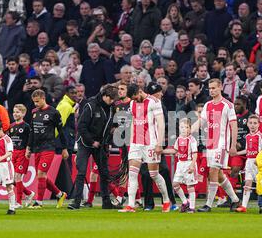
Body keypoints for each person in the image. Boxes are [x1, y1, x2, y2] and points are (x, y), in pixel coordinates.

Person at [118, 84, 172, 213]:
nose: (135, 100)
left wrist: (159, 143)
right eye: (133, 99)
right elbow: (133, 122)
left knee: (154, 174)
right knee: (132, 173)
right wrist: (130, 142)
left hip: (151, 143)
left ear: (140, 91)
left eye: (136, 97)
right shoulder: (132, 103)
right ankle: (131, 205)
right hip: (136, 143)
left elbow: (160, 123)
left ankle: (166, 200)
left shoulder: (154, 102)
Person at [68, 85, 121, 210]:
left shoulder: (112, 108)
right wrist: (92, 141)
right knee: (81, 172)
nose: (112, 101)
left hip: (101, 144)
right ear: (104, 96)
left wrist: (112, 132)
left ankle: (106, 202)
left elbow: (112, 123)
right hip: (85, 143)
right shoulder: (90, 106)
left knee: (104, 172)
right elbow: (81, 126)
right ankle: (76, 202)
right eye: (111, 99)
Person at [197, 79, 241, 212]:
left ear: (220, 87)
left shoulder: (228, 105)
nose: (211, 90)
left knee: (213, 172)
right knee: (219, 175)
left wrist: (233, 145)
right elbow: (201, 121)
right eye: (210, 88)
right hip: (210, 144)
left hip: (222, 144)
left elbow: (234, 126)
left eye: (214, 88)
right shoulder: (208, 105)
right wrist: (188, 130)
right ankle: (235, 200)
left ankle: (208, 204)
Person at [26, 89, 69, 209]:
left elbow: (61, 131)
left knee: (41, 173)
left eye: (37, 101)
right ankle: (60, 194)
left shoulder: (53, 112)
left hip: (49, 147)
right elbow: (32, 132)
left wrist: (64, 148)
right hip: (37, 148)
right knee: (41, 176)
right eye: (34, 102)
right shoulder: (34, 112)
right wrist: (29, 147)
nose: (36, 104)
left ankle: (38, 202)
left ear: (43, 98)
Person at [164, 118, 198, 213]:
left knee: (190, 186)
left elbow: (195, 153)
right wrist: (162, 151)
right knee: (175, 184)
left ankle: (192, 207)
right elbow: (175, 151)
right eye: (182, 127)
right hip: (180, 164)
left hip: (189, 163)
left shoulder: (192, 140)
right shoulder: (178, 139)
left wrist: (192, 165)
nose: (184, 129)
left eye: (186, 127)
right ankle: (185, 201)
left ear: (190, 129)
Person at [236, 114, 262, 213]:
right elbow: (247, 150)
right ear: (247, 124)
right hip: (249, 162)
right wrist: (236, 153)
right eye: (250, 123)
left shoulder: (261, 136)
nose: (252, 125)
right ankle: (244, 206)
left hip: (258, 163)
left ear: (259, 124)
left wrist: (260, 161)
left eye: (255, 123)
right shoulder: (248, 136)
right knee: (247, 183)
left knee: (261, 185)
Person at [9, 104, 34, 208]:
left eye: (18, 112)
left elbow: (31, 139)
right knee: (13, 179)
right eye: (14, 112)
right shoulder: (11, 126)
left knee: (18, 177)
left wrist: (28, 150)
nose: (15, 114)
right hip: (13, 153)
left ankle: (18, 202)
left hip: (22, 153)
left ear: (23, 114)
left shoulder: (26, 126)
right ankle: (28, 193)